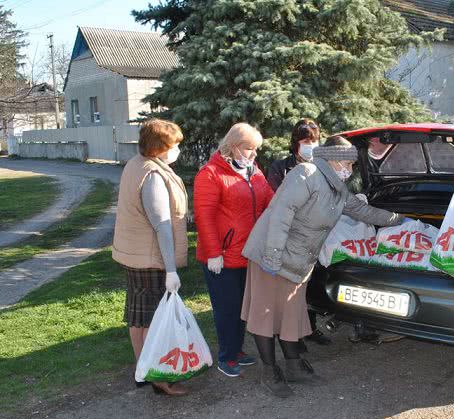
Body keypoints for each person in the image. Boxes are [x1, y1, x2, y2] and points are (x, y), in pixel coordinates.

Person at [241, 135, 406, 398]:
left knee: (292, 314)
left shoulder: (337, 188)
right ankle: (270, 371)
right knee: (266, 314)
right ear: (331, 159)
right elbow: (281, 215)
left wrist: (401, 220)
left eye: (352, 166)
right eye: (346, 164)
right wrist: (272, 256)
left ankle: (294, 366)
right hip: (271, 256)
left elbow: (363, 212)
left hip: (298, 261)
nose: (349, 170)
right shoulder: (306, 174)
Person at [112, 118, 189, 396]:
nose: (177, 150)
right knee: (151, 320)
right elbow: (162, 225)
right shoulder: (153, 176)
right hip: (151, 259)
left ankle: (143, 369)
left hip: (136, 255)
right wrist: (171, 269)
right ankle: (159, 378)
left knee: (138, 316)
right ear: (159, 147)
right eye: (174, 145)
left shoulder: (137, 164)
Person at [193, 123, 275, 378]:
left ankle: (237, 350)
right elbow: (204, 217)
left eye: (256, 149)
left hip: (248, 254)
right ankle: (226, 356)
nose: (253, 154)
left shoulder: (254, 172)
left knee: (242, 307)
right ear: (233, 146)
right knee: (227, 309)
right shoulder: (210, 174)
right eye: (249, 148)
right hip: (223, 257)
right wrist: (214, 253)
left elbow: (269, 201)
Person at [266, 118, 332, 346]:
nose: (311, 145)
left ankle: (309, 328)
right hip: (290, 238)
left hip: (315, 238)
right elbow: (278, 201)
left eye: (315, 140)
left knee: (312, 285)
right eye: (306, 141)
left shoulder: (324, 167)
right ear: (296, 142)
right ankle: (290, 335)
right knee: (290, 289)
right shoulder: (279, 167)